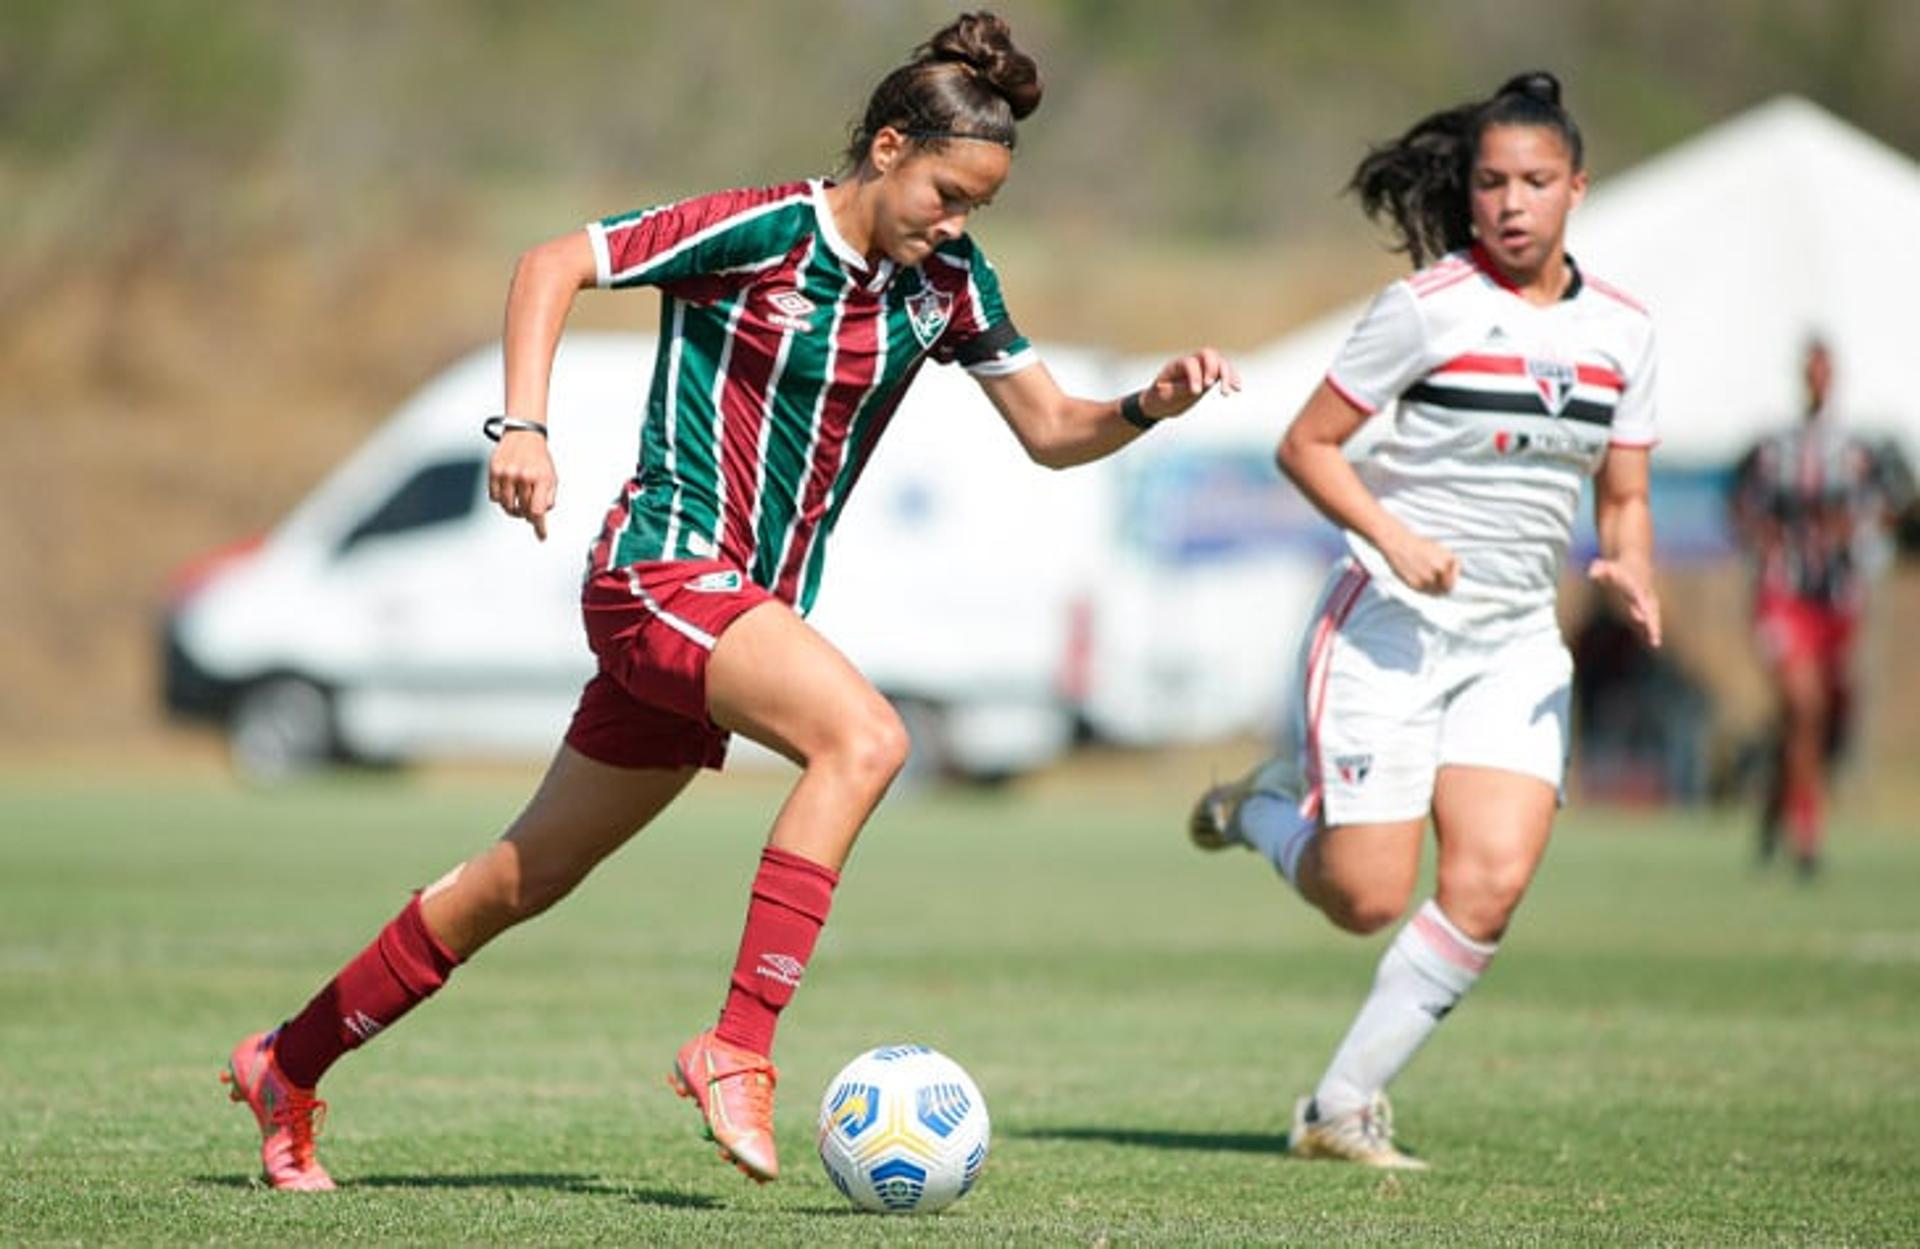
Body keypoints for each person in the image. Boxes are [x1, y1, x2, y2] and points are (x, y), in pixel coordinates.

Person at [221, 11, 1238, 1192]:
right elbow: (551, 263)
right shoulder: (756, 228)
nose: (957, 223)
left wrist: (1147, 405)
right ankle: (737, 1046)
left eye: (980, 208)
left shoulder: (945, 283)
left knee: (517, 881)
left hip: (734, 607)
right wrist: (525, 427)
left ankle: (284, 1066)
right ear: (892, 149)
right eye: (948, 194)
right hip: (659, 568)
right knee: (866, 738)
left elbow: (1056, 432)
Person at [1188, 72, 1659, 1169]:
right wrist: (1393, 537)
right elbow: (1304, 445)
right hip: (1388, 627)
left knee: (1489, 882)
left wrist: (1632, 567)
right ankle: (1262, 807)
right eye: (1492, 181)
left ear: (1576, 188)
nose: (1510, 202)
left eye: (1535, 181)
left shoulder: (1625, 334)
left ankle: (1340, 1106)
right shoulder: (1425, 308)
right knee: (1365, 897)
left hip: (1513, 642)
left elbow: (1625, 496)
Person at [1729, 338, 1913, 878]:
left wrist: (1859, 535)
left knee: (1815, 721)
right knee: (1804, 706)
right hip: (1782, 597)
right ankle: (1809, 837)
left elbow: (1896, 506)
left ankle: (1773, 808)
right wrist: (1764, 538)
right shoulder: (1772, 450)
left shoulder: (1858, 450)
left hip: (1837, 602)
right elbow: (1739, 506)